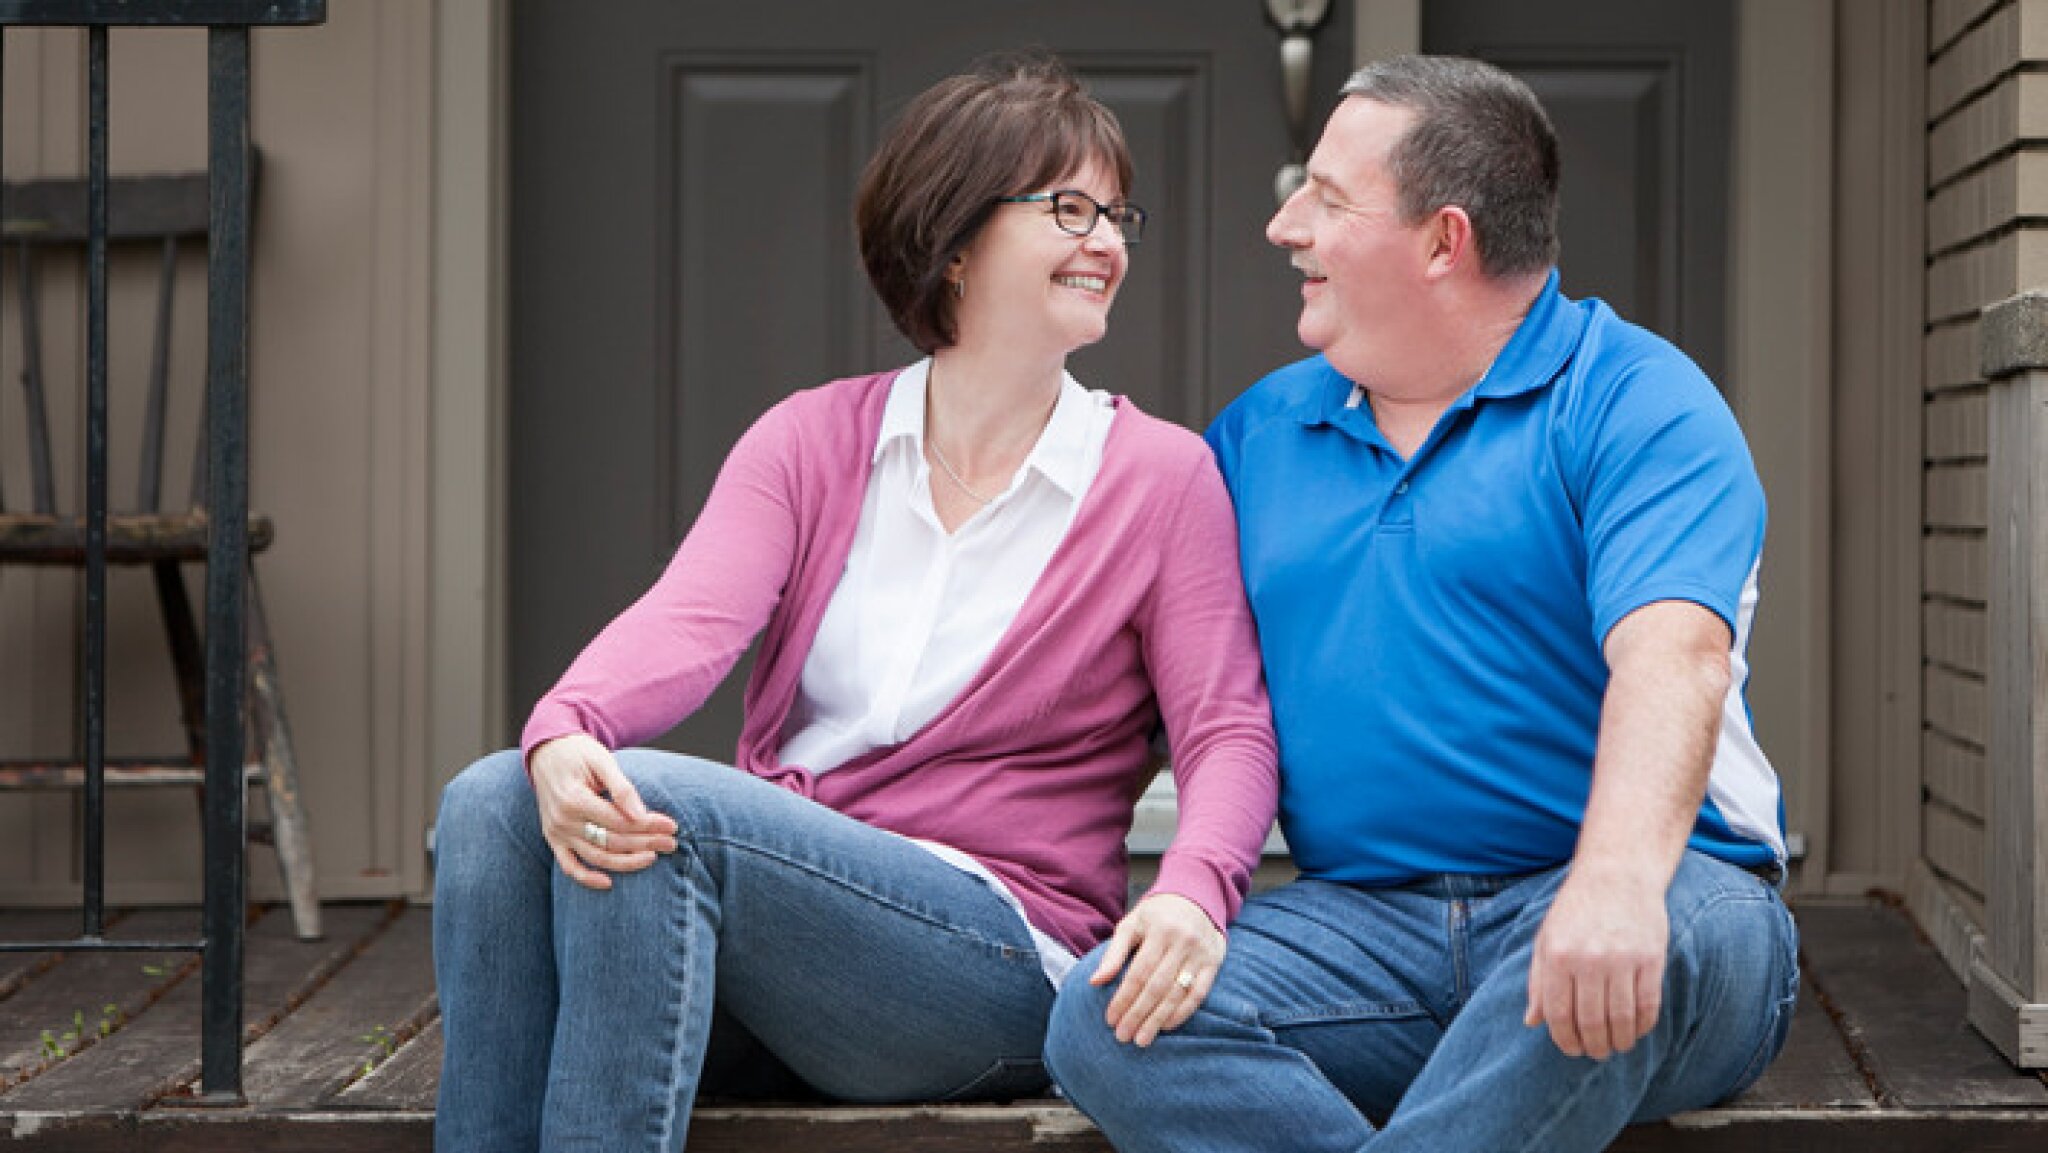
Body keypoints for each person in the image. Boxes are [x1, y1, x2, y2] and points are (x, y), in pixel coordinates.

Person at [431, 52, 1278, 1152]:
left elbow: (1224, 726)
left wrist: (1191, 893)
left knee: (659, 816)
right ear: (954, 240)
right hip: (781, 954)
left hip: (990, 963)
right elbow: (689, 622)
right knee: (489, 800)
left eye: (1118, 213)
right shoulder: (810, 441)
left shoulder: (1159, 479)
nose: (1107, 241)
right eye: (1069, 208)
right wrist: (563, 729)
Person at [1045, 54, 1798, 1153]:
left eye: (1326, 198)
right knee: (1108, 1017)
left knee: (1580, 975)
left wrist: (1613, 884)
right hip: (1361, 923)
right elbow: (1149, 698)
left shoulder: (1637, 402)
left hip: (1656, 898)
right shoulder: (1256, 437)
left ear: (1443, 241)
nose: (1283, 226)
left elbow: (1669, 657)